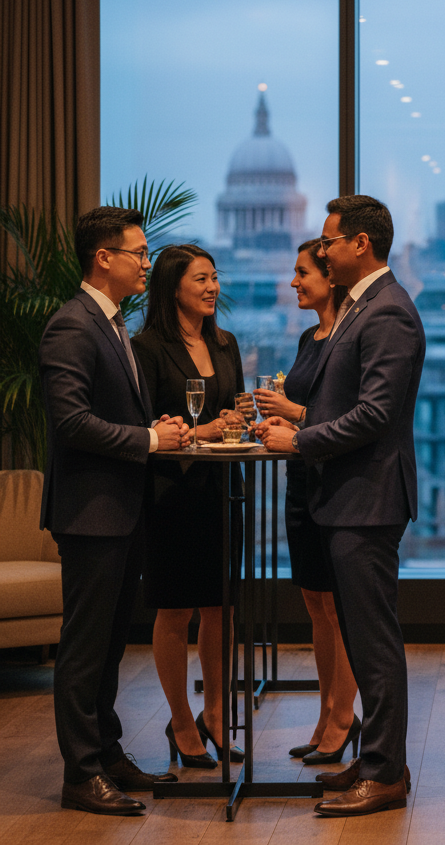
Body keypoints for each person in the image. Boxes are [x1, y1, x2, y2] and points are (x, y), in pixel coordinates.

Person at [258, 195, 424, 817]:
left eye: (329, 241)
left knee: (374, 643)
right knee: (362, 638)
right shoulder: (363, 306)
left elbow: (376, 414)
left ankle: (384, 774)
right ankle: (378, 758)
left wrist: (299, 438)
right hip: (349, 497)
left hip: (368, 499)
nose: (320, 250)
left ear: (360, 244)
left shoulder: (387, 313)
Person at [39, 206, 189, 815]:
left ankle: (107, 753)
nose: (147, 263)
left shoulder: (112, 322)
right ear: (105, 258)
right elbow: (72, 422)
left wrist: (152, 427)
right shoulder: (72, 325)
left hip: (121, 510)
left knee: (108, 649)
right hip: (91, 512)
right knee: (85, 649)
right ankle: (81, 774)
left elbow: (110, 414)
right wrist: (150, 441)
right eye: (138, 252)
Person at [132, 244, 246, 769]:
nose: (212, 287)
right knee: (175, 608)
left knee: (219, 606)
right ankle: (180, 721)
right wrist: (203, 429)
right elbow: (148, 430)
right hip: (170, 493)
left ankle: (216, 713)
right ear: (173, 286)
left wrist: (238, 419)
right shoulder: (148, 347)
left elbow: (232, 411)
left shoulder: (225, 343)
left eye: (215, 277)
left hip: (221, 489)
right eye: (201, 279)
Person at [253, 240, 360, 764]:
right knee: (316, 604)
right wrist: (279, 421)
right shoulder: (307, 336)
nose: (294, 282)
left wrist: (291, 413)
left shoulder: (349, 334)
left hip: (338, 482)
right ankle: (326, 713)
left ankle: (344, 717)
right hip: (302, 479)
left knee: (339, 610)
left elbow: (341, 414)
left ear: (330, 276)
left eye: (301, 272)